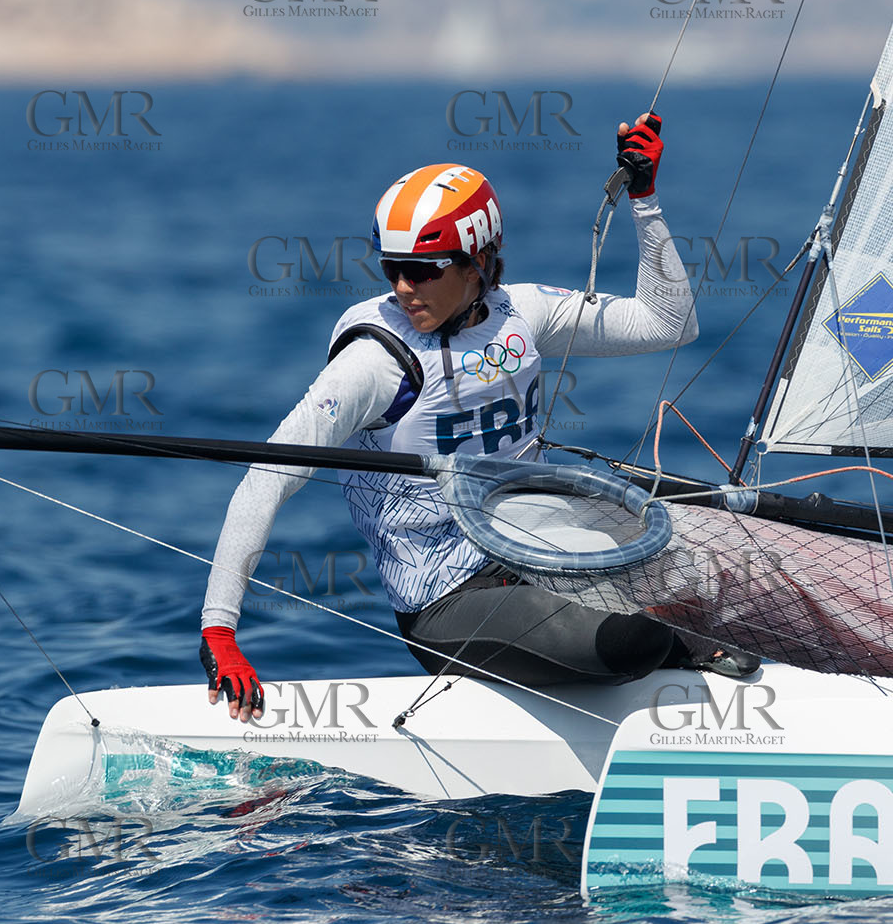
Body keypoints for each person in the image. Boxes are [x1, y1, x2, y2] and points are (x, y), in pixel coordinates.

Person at [199, 113, 758, 722]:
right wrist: (221, 633)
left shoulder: (524, 314)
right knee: (632, 642)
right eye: (393, 270)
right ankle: (681, 651)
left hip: (547, 553)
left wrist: (645, 202)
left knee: (737, 576)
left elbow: (670, 324)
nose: (406, 288)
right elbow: (266, 478)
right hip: (447, 598)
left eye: (425, 270)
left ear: (480, 263)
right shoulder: (374, 364)